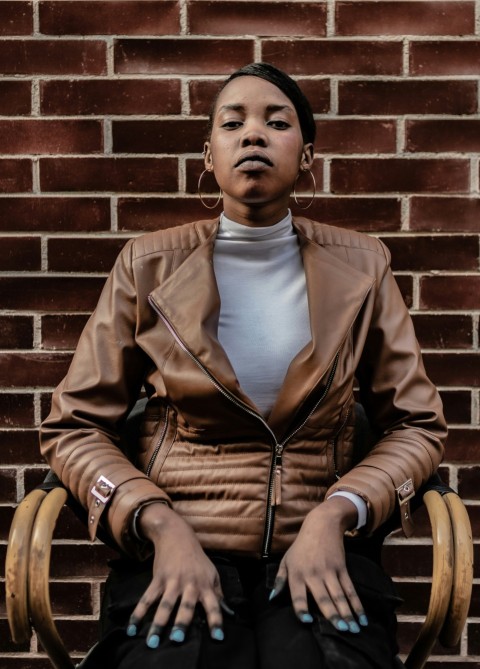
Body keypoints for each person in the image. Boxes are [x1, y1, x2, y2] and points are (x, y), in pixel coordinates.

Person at [40, 63, 447, 669]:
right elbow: (74, 427)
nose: (252, 134)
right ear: (209, 155)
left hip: (321, 553)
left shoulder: (364, 266)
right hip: (177, 552)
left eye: (275, 122)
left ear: (305, 156)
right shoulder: (147, 266)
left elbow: (418, 424)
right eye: (233, 123)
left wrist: (338, 514)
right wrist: (157, 525)